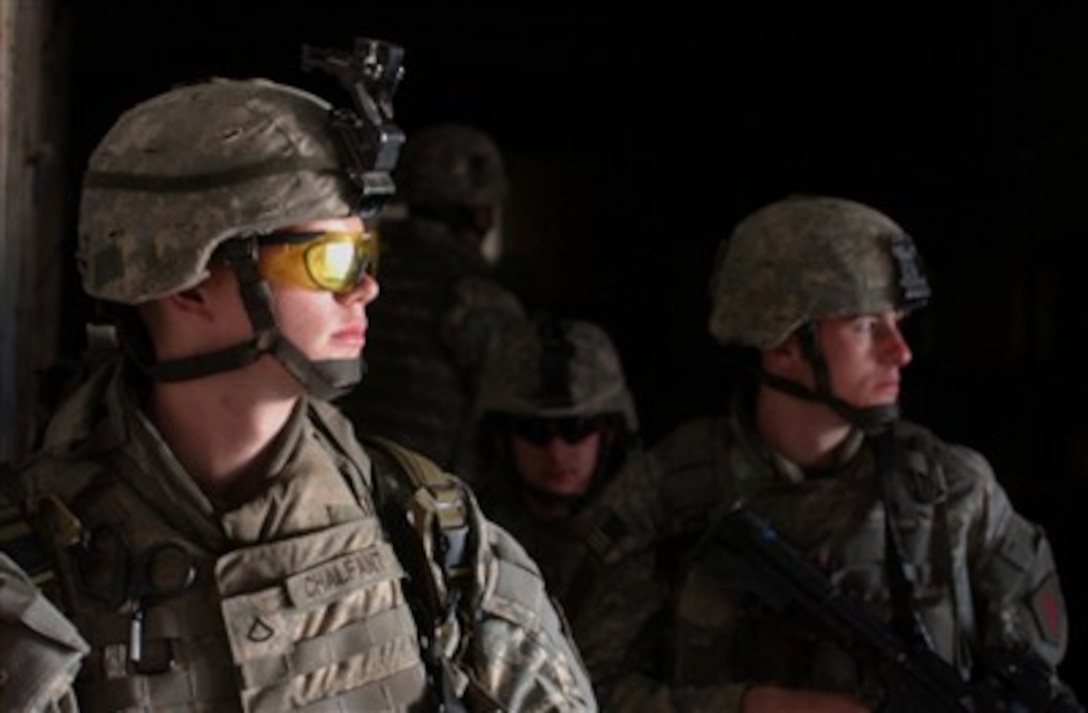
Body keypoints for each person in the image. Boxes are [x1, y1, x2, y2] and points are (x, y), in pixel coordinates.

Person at [0, 38, 596, 711]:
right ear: (189, 284)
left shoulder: (438, 542)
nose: (365, 289)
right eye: (330, 258)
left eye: (367, 253)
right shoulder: (30, 570)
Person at [571, 195, 1082, 711]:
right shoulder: (666, 494)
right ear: (784, 344)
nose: (900, 352)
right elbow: (576, 691)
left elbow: (1038, 687)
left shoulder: (954, 493)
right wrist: (754, 707)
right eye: (865, 326)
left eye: (898, 322)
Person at [336, 122, 525, 476]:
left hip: (342, 481)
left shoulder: (355, 274)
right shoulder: (480, 296)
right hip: (431, 500)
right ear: (486, 214)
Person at [471, 314, 640, 619]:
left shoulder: (650, 532)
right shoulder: (476, 536)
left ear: (610, 433)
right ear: (500, 438)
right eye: (534, 431)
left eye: (576, 429)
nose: (557, 452)